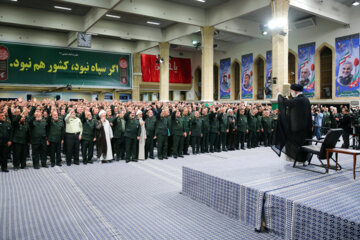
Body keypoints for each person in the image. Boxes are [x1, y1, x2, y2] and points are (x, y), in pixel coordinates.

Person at [272, 83, 312, 162]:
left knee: (296, 144)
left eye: (291, 91)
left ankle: (298, 159)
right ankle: (299, 159)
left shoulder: (299, 100)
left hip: (297, 129)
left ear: (295, 92)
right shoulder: (305, 99)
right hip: (304, 128)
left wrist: (279, 93)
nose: (291, 92)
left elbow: (285, 102)